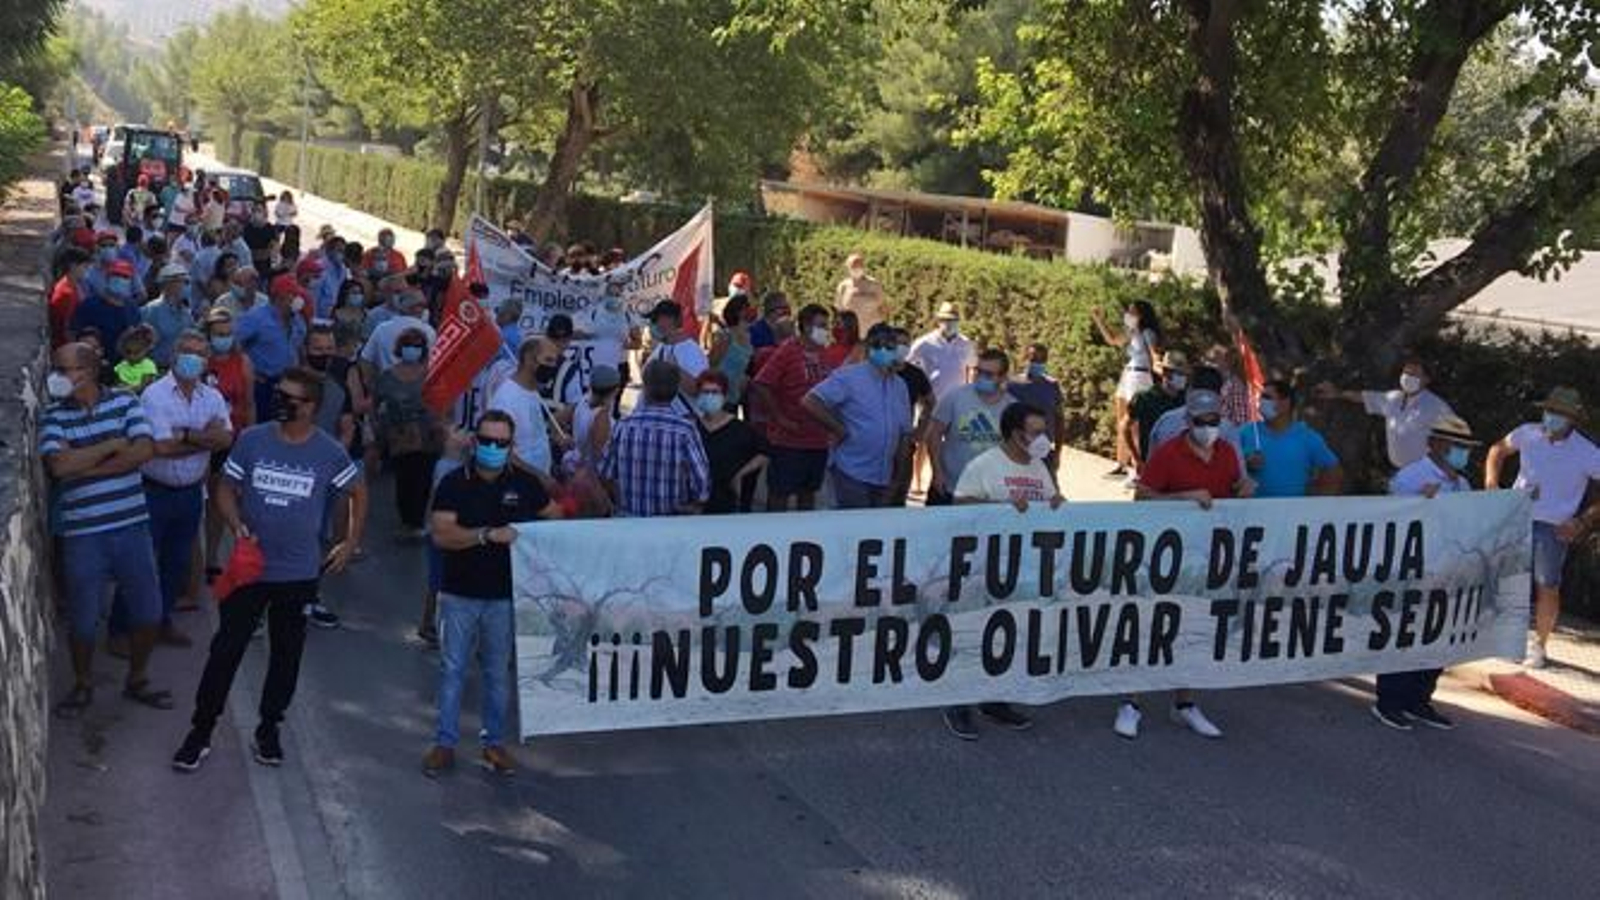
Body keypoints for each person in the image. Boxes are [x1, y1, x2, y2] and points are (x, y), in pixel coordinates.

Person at [173, 368, 368, 772]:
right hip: (250, 570)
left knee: (286, 656)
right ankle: (201, 731)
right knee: (225, 651)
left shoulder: (328, 451)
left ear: (310, 407)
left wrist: (348, 543)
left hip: (297, 575)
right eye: (280, 394)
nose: (281, 402)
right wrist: (234, 524)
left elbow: (357, 492)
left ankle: (268, 729)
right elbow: (226, 487)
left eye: (291, 398)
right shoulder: (253, 440)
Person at [423, 410, 563, 778]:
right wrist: (485, 535)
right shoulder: (453, 483)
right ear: (474, 441)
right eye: (485, 440)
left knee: (497, 674)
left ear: (511, 446)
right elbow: (441, 535)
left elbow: (557, 517)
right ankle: (445, 744)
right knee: (452, 670)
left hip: (504, 596)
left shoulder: (525, 484)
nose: (492, 448)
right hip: (458, 594)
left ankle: (494, 744)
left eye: (500, 443)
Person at [41, 343, 171, 718]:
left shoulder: (126, 402)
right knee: (83, 617)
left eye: (63, 369)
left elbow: (144, 451)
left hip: (131, 527)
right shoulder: (53, 415)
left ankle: (138, 677)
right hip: (83, 534)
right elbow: (59, 467)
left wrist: (84, 466)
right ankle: (82, 683)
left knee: (148, 610)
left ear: (88, 371)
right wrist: (113, 445)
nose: (57, 377)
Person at [1124, 390, 1253, 740]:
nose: (1208, 428)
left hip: (1209, 555)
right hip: (1166, 555)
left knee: (1195, 627)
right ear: (1188, 421)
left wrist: (1244, 487)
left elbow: (1233, 490)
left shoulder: (1227, 452)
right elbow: (1142, 496)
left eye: (1214, 422)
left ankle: (1184, 703)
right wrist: (1181, 497)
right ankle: (1131, 701)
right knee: (1152, 626)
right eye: (1201, 421)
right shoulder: (1168, 453)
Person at [941, 402, 1063, 740]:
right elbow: (960, 506)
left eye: (1044, 431)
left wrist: (1057, 503)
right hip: (984, 566)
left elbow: (1051, 501)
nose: (1043, 439)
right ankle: (958, 704)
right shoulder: (985, 465)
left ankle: (993, 700)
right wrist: (1002, 508)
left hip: (1022, 568)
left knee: (1007, 637)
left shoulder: (1039, 467)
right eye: (1036, 432)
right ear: (1015, 434)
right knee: (972, 636)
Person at [113, 331, 232, 649]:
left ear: (206, 361)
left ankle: (160, 620)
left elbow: (226, 439)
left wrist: (185, 436)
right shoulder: (155, 395)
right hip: (153, 491)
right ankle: (120, 630)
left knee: (175, 563)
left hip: (191, 492)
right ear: (174, 355)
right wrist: (201, 438)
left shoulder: (212, 397)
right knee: (139, 563)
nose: (193, 358)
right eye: (187, 351)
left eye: (199, 353)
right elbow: (160, 447)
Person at [1373, 414, 1480, 730]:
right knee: (1405, 635)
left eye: (1466, 446)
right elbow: (1389, 516)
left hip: (1446, 571)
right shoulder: (1412, 476)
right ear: (1435, 444)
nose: (1462, 452)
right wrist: (1418, 502)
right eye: (1456, 445)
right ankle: (1389, 701)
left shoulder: (1461, 484)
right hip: (1413, 569)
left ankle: (1419, 699)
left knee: (1436, 637)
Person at [1485, 386, 1600, 669]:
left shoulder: (1587, 451)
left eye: (1559, 413)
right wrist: (1491, 485)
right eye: (1550, 410)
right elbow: (1497, 450)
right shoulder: (1528, 432)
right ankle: (1509, 640)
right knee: (1509, 579)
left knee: (1547, 585)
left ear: (1572, 418)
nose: (1552, 416)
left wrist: (1583, 521)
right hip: (1517, 515)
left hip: (1554, 526)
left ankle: (1539, 646)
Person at [802, 324, 914, 509]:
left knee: (877, 532)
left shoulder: (900, 385)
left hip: (884, 475)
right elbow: (811, 401)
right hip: (852, 471)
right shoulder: (849, 377)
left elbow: (903, 432)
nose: (886, 351)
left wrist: (897, 477)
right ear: (870, 348)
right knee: (853, 530)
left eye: (891, 347)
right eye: (881, 346)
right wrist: (838, 428)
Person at [749, 304, 836, 512]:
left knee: (808, 493)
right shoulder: (788, 350)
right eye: (821, 326)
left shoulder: (825, 353)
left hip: (818, 440)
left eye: (827, 325)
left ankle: (804, 538)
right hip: (789, 441)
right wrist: (778, 417)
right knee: (780, 493)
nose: (826, 330)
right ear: (806, 327)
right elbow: (761, 383)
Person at [598, 359, 710, 517]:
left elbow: (605, 473)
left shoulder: (623, 426)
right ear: (676, 390)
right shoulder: (685, 430)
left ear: (645, 388)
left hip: (629, 520)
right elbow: (701, 485)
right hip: (670, 523)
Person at [1316, 357, 1456, 469]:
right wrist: (1338, 393)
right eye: (1406, 373)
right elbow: (1362, 397)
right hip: (1398, 471)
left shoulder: (1437, 406)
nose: (1407, 377)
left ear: (1426, 379)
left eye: (1414, 374)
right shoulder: (1393, 398)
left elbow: (1456, 438)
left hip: (1426, 475)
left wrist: (1446, 470)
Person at [376, 328, 444, 538]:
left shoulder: (431, 374)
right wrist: (379, 429)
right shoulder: (387, 375)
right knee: (404, 478)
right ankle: (407, 519)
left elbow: (442, 402)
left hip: (427, 436)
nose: (412, 349)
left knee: (423, 478)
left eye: (417, 346)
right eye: (408, 345)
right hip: (399, 437)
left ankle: (417, 521)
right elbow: (376, 402)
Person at [925, 348, 1015, 506]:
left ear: (1002, 377)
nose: (981, 377)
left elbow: (1017, 449)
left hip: (989, 493)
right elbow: (934, 434)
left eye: (988, 374)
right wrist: (937, 472)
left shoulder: (1012, 407)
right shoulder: (954, 397)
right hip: (949, 487)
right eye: (979, 371)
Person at [1091, 300, 1162, 476]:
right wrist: (1099, 320)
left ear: (1142, 315)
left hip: (1140, 376)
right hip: (1128, 374)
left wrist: (1162, 371)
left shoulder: (1147, 332)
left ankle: (1137, 466)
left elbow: (1155, 355)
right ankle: (1121, 464)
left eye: (1132, 312)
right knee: (1121, 418)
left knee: (1134, 423)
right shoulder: (1132, 332)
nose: (1128, 315)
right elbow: (1112, 340)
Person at [1240, 380, 1342, 497]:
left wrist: (1318, 501)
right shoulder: (1244, 433)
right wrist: (1246, 464)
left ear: (1285, 403)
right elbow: (1229, 471)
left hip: (1294, 513)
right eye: (1260, 398)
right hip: (1253, 513)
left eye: (1266, 397)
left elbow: (1334, 471)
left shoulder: (1307, 437)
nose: (1260, 402)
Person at [694, 371, 769, 514]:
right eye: (705, 392)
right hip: (697, 505)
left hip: (729, 504)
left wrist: (741, 474)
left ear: (724, 396)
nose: (710, 396)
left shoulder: (741, 429)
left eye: (715, 392)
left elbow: (764, 452)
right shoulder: (691, 427)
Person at [237, 274, 309, 419]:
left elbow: (300, 346)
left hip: (289, 383)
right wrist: (250, 373)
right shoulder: (256, 318)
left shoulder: (298, 320)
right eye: (293, 294)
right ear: (280, 296)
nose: (297, 299)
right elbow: (235, 343)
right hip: (264, 385)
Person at [488, 338, 555, 476]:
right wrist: (540, 477)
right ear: (529, 359)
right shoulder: (506, 398)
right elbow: (501, 452)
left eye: (555, 361)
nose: (553, 367)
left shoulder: (533, 391)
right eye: (548, 360)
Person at [1007, 343, 1066, 483]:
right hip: (1018, 450)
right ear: (1025, 359)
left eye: (1042, 360)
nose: (1038, 363)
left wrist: (1058, 453)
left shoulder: (1052, 386)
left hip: (1044, 451)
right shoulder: (1012, 385)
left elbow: (1060, 420)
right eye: (1033, 359)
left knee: (1050, 496)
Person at [1125, 350, 1189, 470]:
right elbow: (1125, 426)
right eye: (1179, 373)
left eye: (1184, 374)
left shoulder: (1187, 399)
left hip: (1181, 465)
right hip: (1152, 465)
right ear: (1165, 373)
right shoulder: (1144, 398)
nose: (1183, 378)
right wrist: (1136, 458)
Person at [70, 258, 142, 361]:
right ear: (107, 278)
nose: (120, 279)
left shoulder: (133, 307)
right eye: (116, 275)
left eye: (125, 277)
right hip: (95, 365)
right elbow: (73, 333)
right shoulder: (89, 306)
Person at [645, 300, 709, 416]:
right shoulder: (662, 346)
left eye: (655, 320)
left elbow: (698, 390)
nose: (652, 325)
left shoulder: (691, 351)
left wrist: (674, 371)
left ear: (668, 320)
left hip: (683, 421)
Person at [907, 302, 976, 405]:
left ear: (958, 321)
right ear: (939, 321)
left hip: (956, 403)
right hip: (930, 402)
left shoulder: (966, 344)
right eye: (946, 320)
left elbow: (972, 368)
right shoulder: (924, 343)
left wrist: (970, 394)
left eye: (953, 320)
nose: (949, 323)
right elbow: (906, 364)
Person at [360, 289, 436, 373]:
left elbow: (366, 359)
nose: (424, 309)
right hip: (417, 383)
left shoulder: (382, 329)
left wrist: (370, 383)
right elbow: (431, 363)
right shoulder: (429, 331)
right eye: (422, 305)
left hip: (385, 382)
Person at [142, 262, 196, 368]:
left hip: (181, 369)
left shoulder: (186, 312)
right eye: (182, 282)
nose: (186, 286)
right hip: (158, 370)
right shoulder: (151, 310)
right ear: (167, 284)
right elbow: (143, 345)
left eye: (187, 282)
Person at [707, 294, 756, 410]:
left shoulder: (748, 336)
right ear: (739, 312)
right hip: (719, 398)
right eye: (747, 307)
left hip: (735, 397)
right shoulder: (725, 337)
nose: (751, 310)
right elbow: (710, 364)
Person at [49, 246, 92, 349]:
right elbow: (66, 329)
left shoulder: (73, 285)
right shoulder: (66, 294)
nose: (87, 270)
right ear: (73, 266)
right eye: (85, 266)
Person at [834, 252, 887, 331]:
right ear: (848, 267)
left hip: (872, 332)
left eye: (859, 264)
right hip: (851, 333)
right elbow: (839, 310)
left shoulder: (875, 285)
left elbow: (883, 308)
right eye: (853, 265)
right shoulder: (843, 287)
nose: (857, 267)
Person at [113, 325, 159, 393]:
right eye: (128, 352)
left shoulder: (149, 366)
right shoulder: (121, 366)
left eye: (137, 352)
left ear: (146, 350)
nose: (132, 356)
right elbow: (118, 384)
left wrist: (124, 389)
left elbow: (142, 387)